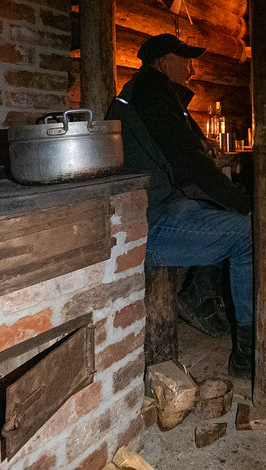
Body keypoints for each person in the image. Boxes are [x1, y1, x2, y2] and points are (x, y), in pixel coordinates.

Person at [106, 33, 254, 378]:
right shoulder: (150, 92)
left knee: (228, 212)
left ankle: (199, 294)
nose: (191, 67)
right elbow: (189, 164)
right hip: (147, 224)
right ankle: (248, 354)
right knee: (249, 231)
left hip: (163, 207)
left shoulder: (158, 94)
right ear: (163, 62)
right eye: (184, 59)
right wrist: (242, 203)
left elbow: (186, 153)